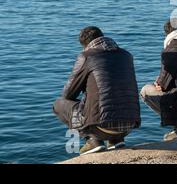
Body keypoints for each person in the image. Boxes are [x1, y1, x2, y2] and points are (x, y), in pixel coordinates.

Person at [53, 27, 141, 155]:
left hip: (101, 127)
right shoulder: (126, 55)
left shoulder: (86, 56)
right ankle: (116, 140)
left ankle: (92, 141)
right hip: (129, 125)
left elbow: (68, 94)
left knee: (59, 104)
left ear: (85, 45)